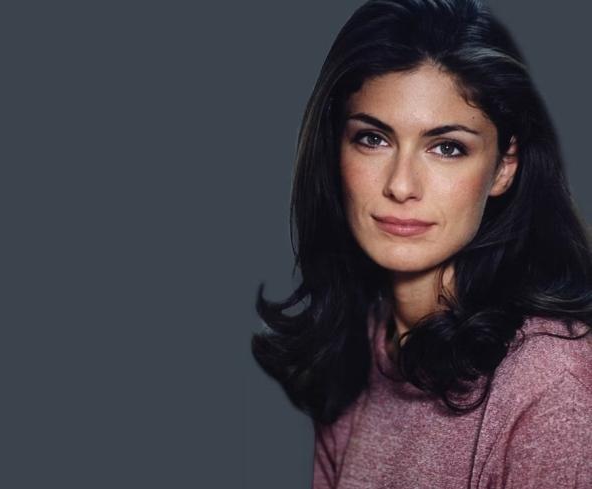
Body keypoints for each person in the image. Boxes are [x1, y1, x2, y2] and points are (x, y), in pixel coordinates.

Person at [250, 0, 592, 487]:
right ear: (335, 149)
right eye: (373, 139)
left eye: (447, 147)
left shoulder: (550, 386)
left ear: (504, 166)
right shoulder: (357, 347)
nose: (401, 185)